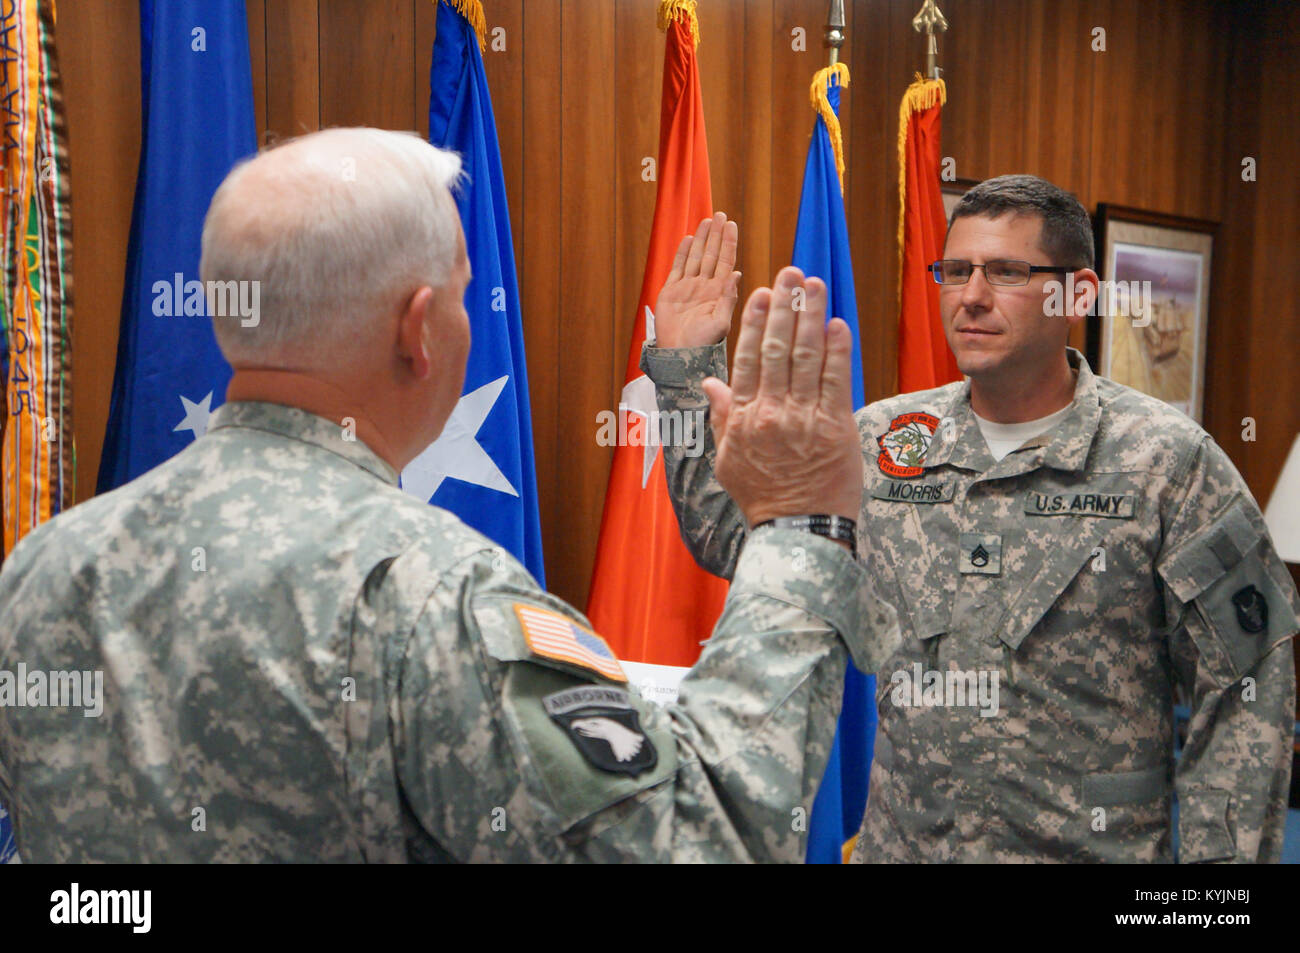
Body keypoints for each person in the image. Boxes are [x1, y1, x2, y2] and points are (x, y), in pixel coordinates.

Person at [0, 127, 897, 863]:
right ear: (418, 328)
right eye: (465, 295)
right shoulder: (429, 592)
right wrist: (802, 522)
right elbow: (699, 846)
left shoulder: (42, 564)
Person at [645, 177, 1300, 863]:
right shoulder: (882, 443)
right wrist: (686, 368)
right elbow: (734, 532)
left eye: (1007, 272)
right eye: (956, 271)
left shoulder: (1167, 462)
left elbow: (1245, 690)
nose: (972, 296)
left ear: (1077, 294)